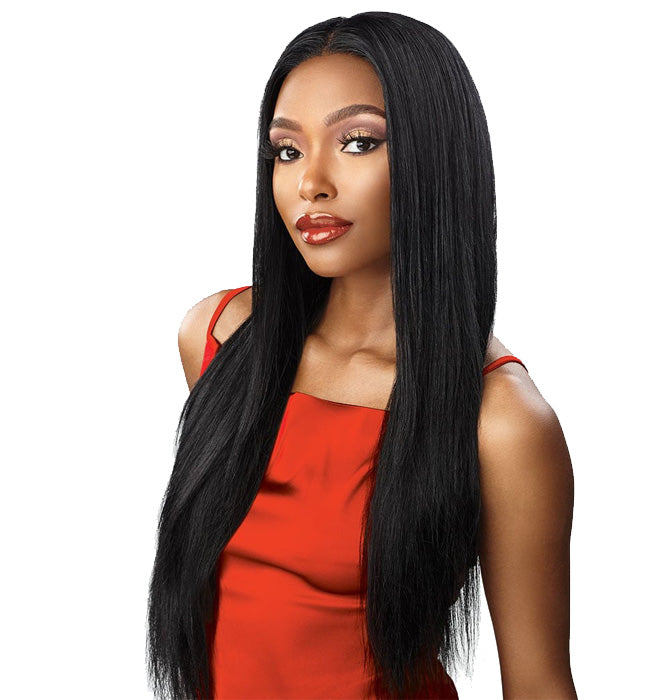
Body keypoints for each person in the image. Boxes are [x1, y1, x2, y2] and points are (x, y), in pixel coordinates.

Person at [147, 11, 576, 700]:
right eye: (287, 151)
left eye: (357, 142)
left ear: (435, 157)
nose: (310, 182)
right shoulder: (217, 338)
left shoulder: (501, 421)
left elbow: (538, 684)